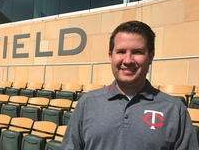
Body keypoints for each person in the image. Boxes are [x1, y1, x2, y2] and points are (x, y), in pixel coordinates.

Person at [61, 21, 199, 150]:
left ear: (151, 56)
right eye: (121, 52)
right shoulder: (87, 103)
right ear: (110, 56)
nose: (127, 60)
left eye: (137, 52)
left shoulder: (174, 110)